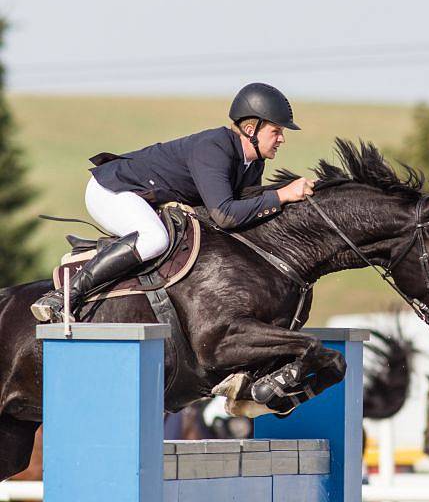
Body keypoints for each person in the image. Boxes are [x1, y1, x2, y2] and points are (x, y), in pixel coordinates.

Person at [31, 83, 315, 323]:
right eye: (276, 131)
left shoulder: (252, 164)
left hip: (144, 197)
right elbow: (225, 215)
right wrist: (281, 195)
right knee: (155, 239)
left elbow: (245, 214)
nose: (281, 139)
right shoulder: (214, 148)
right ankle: (63, 296)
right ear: (251, 128)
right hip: (112, 190)